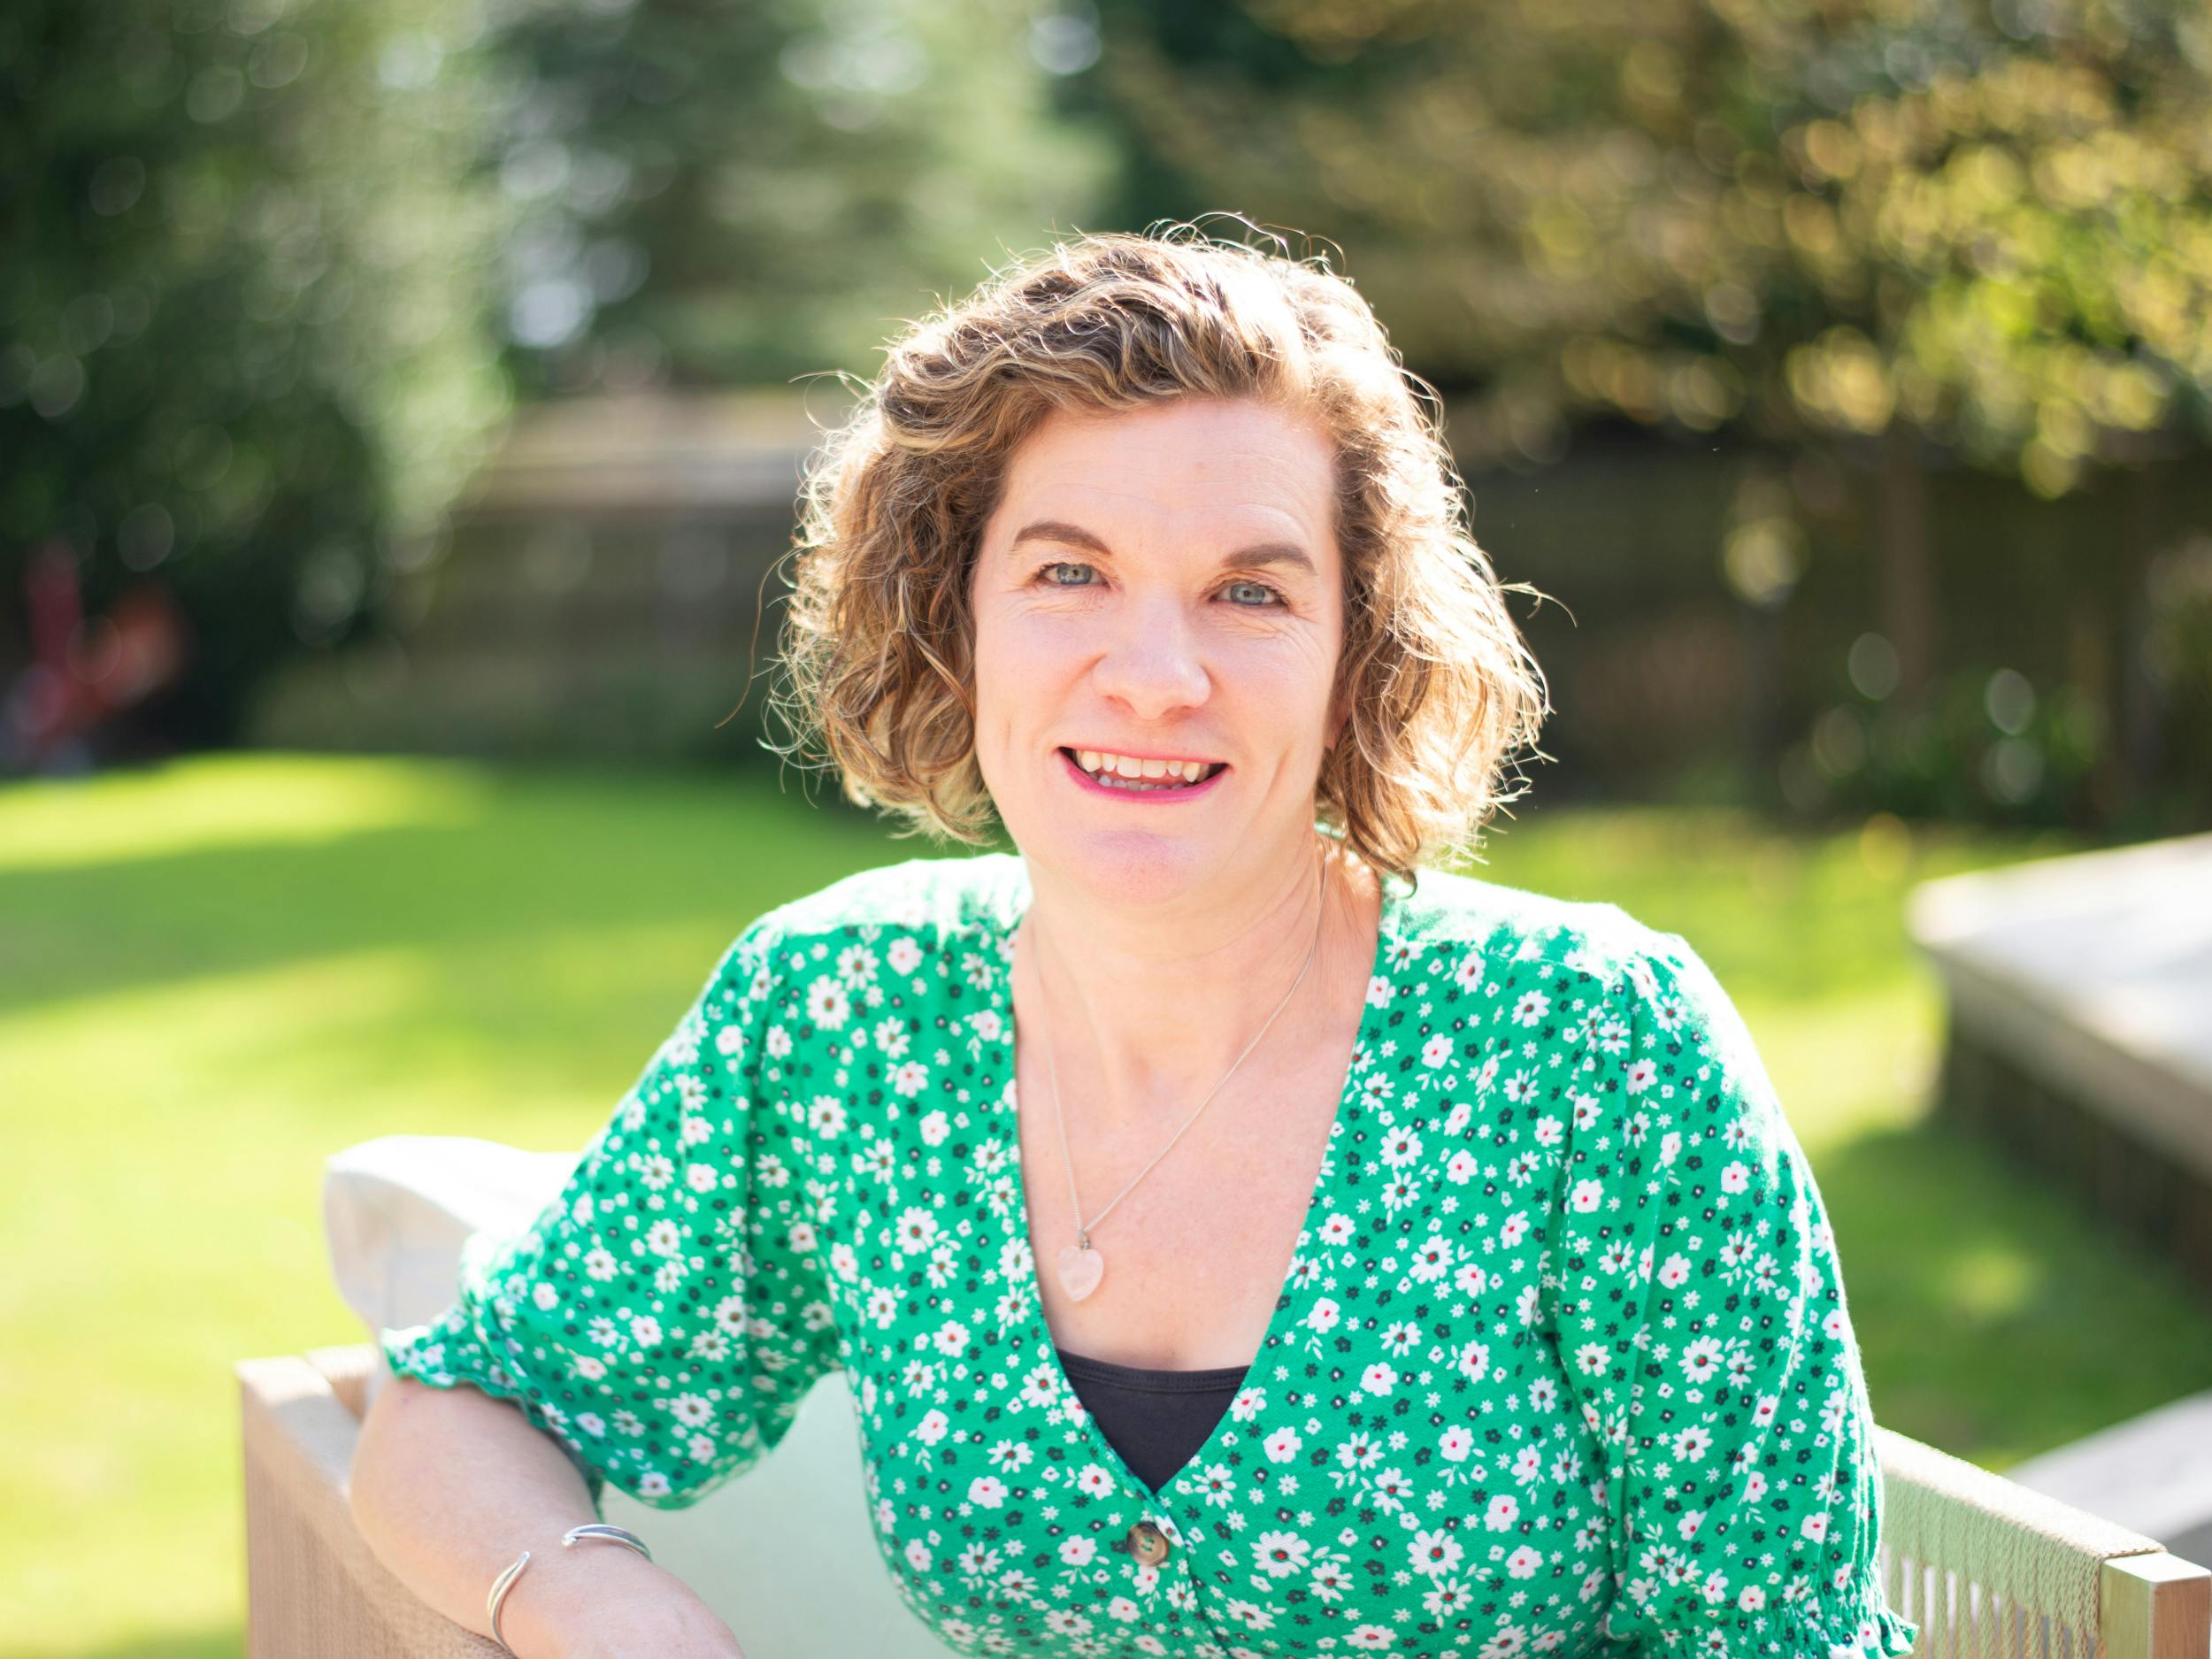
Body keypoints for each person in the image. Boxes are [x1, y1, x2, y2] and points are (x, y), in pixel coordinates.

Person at [351, 224, 1920, 1659]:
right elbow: (469, 1400)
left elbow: (1780, 1638)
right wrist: (602, 1605)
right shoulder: (840, 1018)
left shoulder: (1594, 1047)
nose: (1156, 675)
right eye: (1070, 573)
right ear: (952, 610)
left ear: (1357, 652)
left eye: (1250, 593)